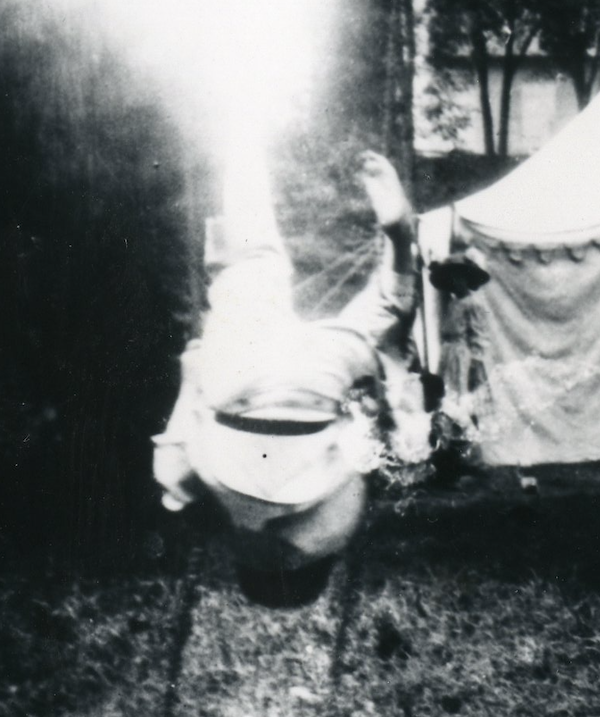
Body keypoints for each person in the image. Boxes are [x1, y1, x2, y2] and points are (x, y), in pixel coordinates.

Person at [152, 151, 424, 606]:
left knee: (388, 317)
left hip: (313, 390)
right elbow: (180, 435)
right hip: (235, 383)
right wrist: (193, 373)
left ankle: (398, 242)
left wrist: (373, 396)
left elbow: (365, 443)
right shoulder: (217, 502)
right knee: (252, 256)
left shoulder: (340, 524)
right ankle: (243, 140)